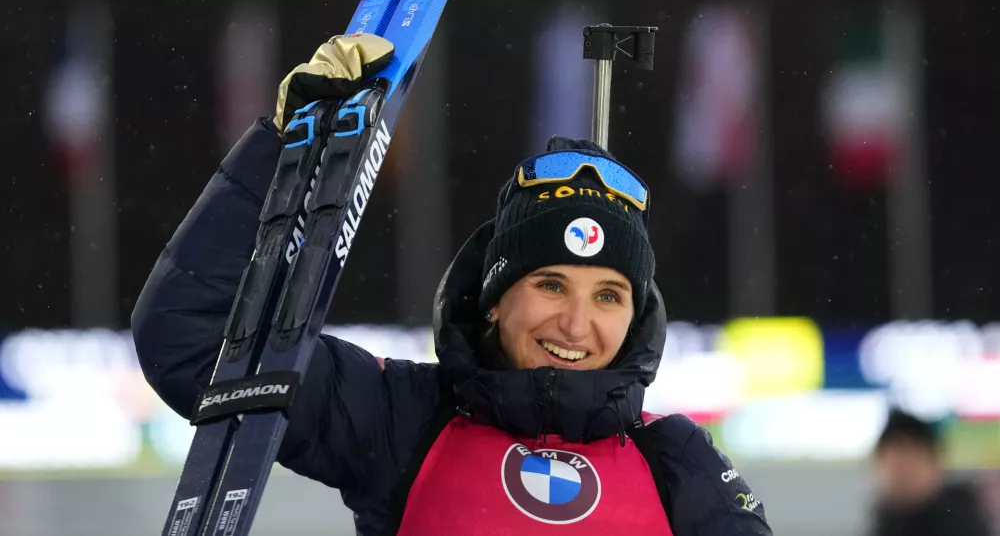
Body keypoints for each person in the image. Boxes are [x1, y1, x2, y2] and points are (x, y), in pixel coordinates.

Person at [132, 33, 772, 535]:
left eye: (608, 295)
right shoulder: (404, 417)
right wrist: (286, 155)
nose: (576, 324)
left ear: (635, 316)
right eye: (550, 285)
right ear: (495, 299)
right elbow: (191, 338)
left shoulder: (677, 462)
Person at [870, 408, 993, 536]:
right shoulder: (883, 522)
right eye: (894, 464)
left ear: (936, 464)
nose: (903, 475)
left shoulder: (961, 523)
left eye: (910, 462)